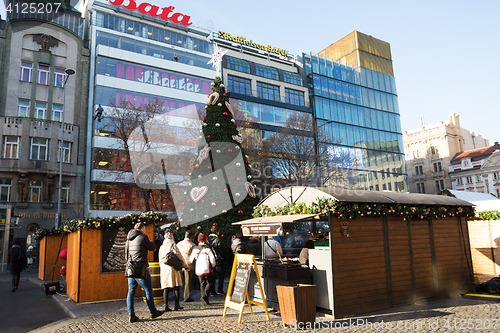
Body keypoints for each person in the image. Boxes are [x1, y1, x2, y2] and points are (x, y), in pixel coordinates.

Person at [125, 223, 163, 323]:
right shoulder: (142, 237)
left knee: (131, 292)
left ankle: (131, 314)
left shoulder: (128, 239)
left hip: (130, 268)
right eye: (144, 229)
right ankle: (153, 312)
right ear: (142, 229)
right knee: (148, 290)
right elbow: (153, 247)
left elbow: (126, 254)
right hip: (140, 268)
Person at [159, 231, 186, 311]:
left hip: (164, 268)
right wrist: (184, 265)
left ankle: (165, 305)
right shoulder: (173, 245)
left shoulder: (162, 247)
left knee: (166, 287)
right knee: (177, 285)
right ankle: (176, 305)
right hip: (174, 267)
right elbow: (179, 255)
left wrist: (162, 267)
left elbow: (160, 259)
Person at [189, 233, 215, 305]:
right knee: (209, 282)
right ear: (205, 239)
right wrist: (213, 265)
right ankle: (205, 296)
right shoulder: (207, 249)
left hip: (199, 268)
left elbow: (191, 259)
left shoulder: (195, 249)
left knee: (202, 283)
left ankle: (204, 298)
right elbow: (212, 259)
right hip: (207, 268)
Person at [176, 230, 196, 302]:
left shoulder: (178, 244)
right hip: (189, 264)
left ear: (185, 235)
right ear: (191, 236)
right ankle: (187, 296)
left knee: (182, 281)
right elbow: (194, 256)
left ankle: (183, 294)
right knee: (188, 281)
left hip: (180, 264)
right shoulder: (192, 245)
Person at [207, 225, 226, 296]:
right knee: (221, 274)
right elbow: (222, 250)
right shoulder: (218, 240)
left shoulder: (207, 239)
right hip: (218, 260)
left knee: (213, 276)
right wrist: (223, 258)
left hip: (210, 260)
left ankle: (212, 291)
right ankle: (220, 290)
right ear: (217, 232)